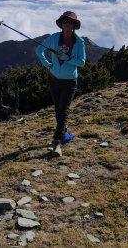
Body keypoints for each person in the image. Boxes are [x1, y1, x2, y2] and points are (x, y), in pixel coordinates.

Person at [35, 11, 86, 157]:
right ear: (62, 24)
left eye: (70, 23)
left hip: (70, 81)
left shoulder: (79, 42)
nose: (67, 25)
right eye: (65, 22)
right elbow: (39, 51)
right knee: (58, 110)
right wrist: (47, 64)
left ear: (74, 25)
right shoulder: (54, 38)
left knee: (63, 110)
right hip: (54, 79)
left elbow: (81, 63)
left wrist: (65, 57)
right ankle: (63, 134)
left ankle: (56, 143)